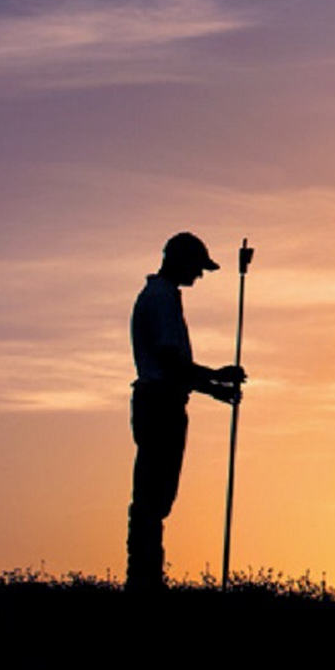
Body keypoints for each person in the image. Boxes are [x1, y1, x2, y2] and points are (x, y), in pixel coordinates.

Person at [127, 232, 247, 594]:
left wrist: (213, 388)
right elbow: (170, 361)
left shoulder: (162, 296)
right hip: (160, 402)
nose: (200, 275)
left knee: (157, 494)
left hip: (161, 400)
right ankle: (143, 581)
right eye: (197, 267)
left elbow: (174, 364)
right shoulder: (161, 299)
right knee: (153, 495)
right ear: (180, 261)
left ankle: (146, 578)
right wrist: (214, 380)